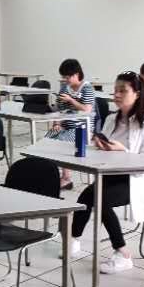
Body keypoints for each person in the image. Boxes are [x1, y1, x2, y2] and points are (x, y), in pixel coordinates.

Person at [67, 71, 144, 274]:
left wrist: (123, 151)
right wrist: (100, 145)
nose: (117, 95)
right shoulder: (112, 119)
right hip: (112, 174)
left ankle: (123, 253)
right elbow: (107, 151)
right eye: (115, 90)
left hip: (138, 180)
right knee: (85, 196)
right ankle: (73, 240)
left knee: (100, 199)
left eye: (123, 91)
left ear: (137, 94)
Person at [46, 57, 97, 189]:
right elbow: (60, 110)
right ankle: (50, 175)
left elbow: (87, 109)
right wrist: (57, 124)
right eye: (64, 77)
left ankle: (66, 178)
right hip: (65, 126)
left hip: (82, 129)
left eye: (68, 77)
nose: (65, 79)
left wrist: (71, 100)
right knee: (46, 141)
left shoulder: (87, 88)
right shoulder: (64, 88)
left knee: (61, 143)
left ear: (76, 74)